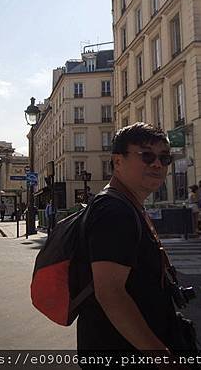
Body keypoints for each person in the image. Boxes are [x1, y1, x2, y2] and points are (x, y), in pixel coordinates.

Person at [76, 122, 182, 362]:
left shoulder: (124, 205)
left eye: (164, 158)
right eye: (146, 156)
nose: (157, 164)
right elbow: (111, 293)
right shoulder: (114, 210)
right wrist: (161, 357)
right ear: (117, 161)